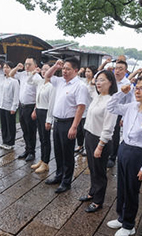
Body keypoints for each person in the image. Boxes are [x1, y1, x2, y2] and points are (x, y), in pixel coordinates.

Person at [106, 76, 142, 236]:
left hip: (139, 153)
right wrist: (120, 93)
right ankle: (121, 217)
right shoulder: (131, 106)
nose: (138, 91)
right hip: (124, 148)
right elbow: (111, 106)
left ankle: (129, 224)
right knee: (122, 186)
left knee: (132, 189)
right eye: (136, 87)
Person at [43, 58, 90, 193]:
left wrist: (74, 126)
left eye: (67, 69)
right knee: (58, 151)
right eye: (63, 68)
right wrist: (55, 66)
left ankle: (66, 181)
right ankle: (59, 175)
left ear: (75, 70)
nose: (64, 71)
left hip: (69, 122)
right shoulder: (60, 82)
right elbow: (46, 76)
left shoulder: (80, 86)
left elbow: (81, 107)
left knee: (67, 153)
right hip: (57, 122)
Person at [78, 70, 118, 213]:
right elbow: (89, 87)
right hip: (89, 135)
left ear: (111, 83)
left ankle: (98, 200)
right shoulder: (98, 96)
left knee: (99, 171)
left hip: (100, 140)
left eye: (102, 80)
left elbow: (108, 128)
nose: (98, 83)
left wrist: (100, 146)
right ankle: (92, 192)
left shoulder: (111, 101)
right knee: (92, 168)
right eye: (98, 80)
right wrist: (91, 78)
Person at [10, 57, 41, 162]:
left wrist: (35, 110)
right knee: (24, 130)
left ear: (35, 66)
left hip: (31, 106)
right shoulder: (23, 74)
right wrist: (17, 67)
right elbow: (11, 74)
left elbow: (38, 96)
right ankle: (27, 149)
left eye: (29, 64)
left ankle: (32, 152)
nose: (27, 66)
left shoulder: (37, 78)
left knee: (31, 130)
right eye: (26, 64)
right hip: (22, 106)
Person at [28, 63, 54, 173]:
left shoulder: (52, 85)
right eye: (43, 70)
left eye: (47, 70)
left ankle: (46, 163)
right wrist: (33, 73)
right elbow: (29, 81)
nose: (44, 71)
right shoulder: (40, 82)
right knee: (41, 138)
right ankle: (42, 160)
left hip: (46, 112)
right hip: (39, 110)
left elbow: (51, 104)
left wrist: (49, 120)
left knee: (46, 139)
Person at [107, 60, 133, 168]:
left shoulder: (127, 84)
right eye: (116, 68)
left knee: (115, 133)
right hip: (108, 110)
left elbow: (130, 101)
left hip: (119, 112)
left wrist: (124, 117)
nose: (117, 71)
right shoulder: (110, 81)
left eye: (120, 69)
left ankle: (113, 156)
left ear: (126, 71)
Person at [0, 62, 20, 150]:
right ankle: (4, 141)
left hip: (9, 106)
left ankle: (10, 142)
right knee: (3, 124)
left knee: (10, 124)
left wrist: (14, 107)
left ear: (11, 69)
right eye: (4, 67)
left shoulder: (14, 81)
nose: (5, 69)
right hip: (1, 104)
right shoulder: (1, 78)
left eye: (7, 67)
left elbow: (16, 95)